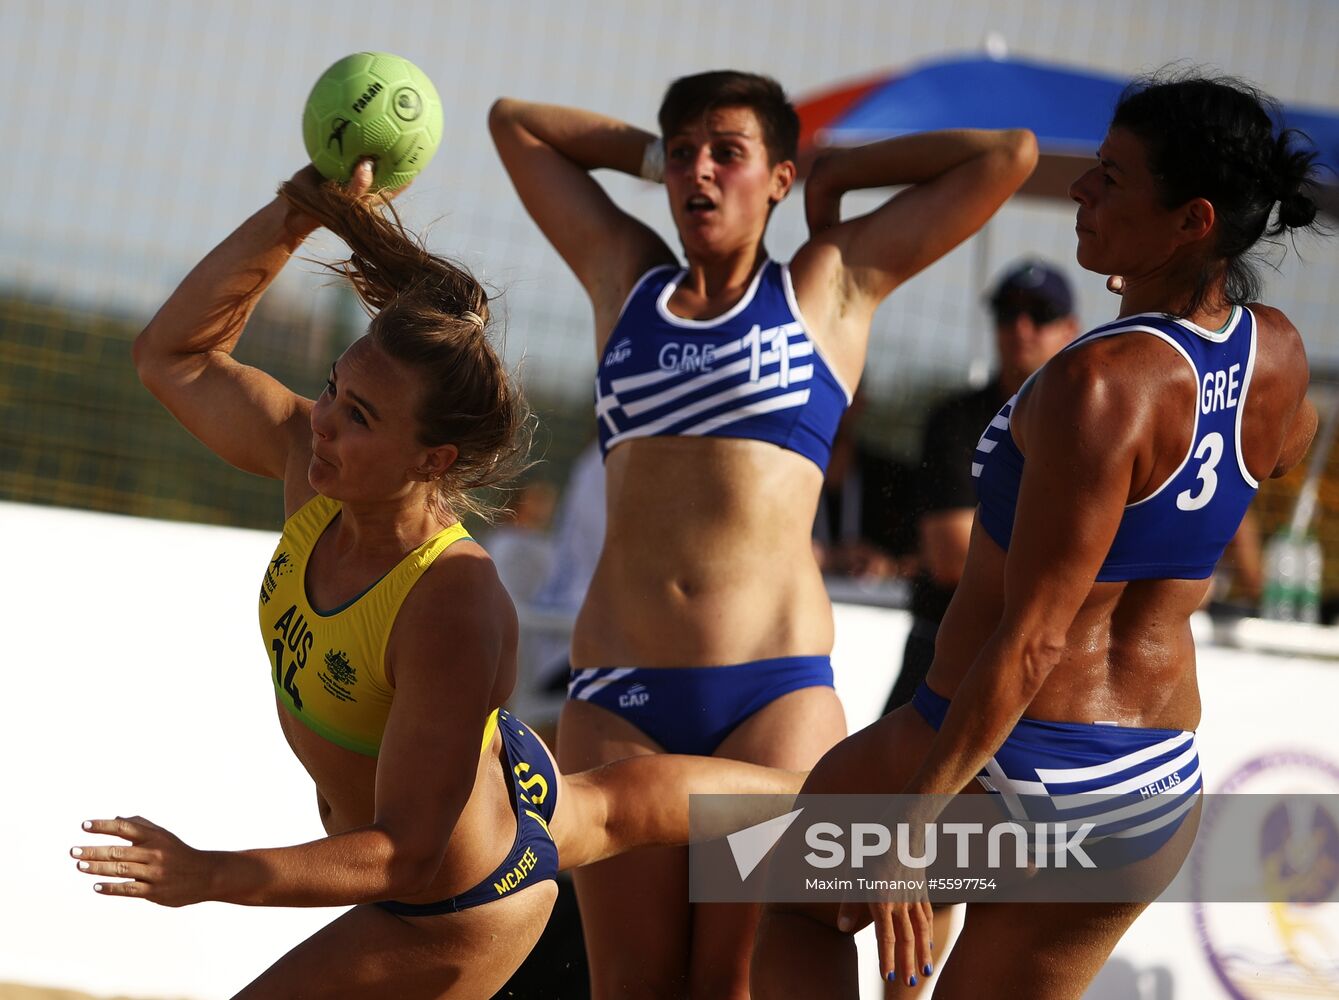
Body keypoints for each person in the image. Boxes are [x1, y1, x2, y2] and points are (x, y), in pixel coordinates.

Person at [70, 161, 808, 999]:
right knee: (615, 807)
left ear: (434, 459)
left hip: (454, 900)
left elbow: (408, 851)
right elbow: (172, 355)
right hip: (495, 789)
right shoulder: (312, 470)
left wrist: (211, 873)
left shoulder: (451, 599)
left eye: (360, 416)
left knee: (625, 825)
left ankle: (911, 808)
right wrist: (294, 212)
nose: (323, 420)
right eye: (331, 390)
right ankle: (887, 800)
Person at [752, 70, 1321, 998]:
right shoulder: (1280, 351)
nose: (1084, 190)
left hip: (1027, 760)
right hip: (1152, 793)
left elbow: (1033, 642)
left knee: (789, 888)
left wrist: (912, 826)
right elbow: (1279, 453)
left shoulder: (1098, 385)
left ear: (1193, 220)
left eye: (1113, 176)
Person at [490, 72, 1037, 996]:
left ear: (776, 177)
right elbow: (517, 123)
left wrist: (844, 169)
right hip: (620, 698)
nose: (699, 174)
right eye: (682, 155)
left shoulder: (827, 284)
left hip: (769, 701)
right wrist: (642, 152)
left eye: (727, 154)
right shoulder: (623, 277)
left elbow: (1006, 155)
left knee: (739, 986)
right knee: (634, 987)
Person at [885, 259, 1079, 714]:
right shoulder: (955, 420)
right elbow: (954, 556)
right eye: (1007, 313)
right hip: (946, 654)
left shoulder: (1095, 428)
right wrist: (1080, 559)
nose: (1021, 327)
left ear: (1071, 327)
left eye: (1041, 312)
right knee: (887, 786)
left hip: (1049, 666)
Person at [813, 387, 918, 582]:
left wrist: (889, 566)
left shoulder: (892, 480)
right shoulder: (784, 478)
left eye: (842, 391)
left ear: (861, 402)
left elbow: (927, 560)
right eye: (823, 390)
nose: (832, 404)